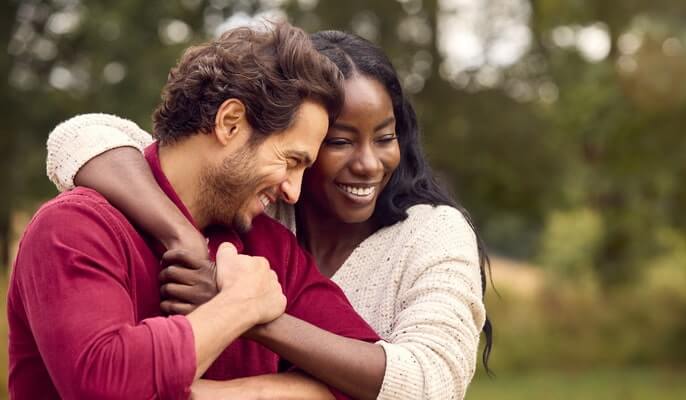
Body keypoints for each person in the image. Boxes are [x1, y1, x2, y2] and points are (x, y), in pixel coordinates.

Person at [46, 30, 492, 399]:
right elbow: (85, 135)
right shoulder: (254, 216)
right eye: (336, 143)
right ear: (232, 124)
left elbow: (414, 385)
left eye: (385, 137)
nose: (369, 163)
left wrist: (254, 316)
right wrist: (183, 235)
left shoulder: (271, 242)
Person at [10, 23, 381, 400]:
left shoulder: (271, 249)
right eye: (290, 160)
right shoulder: (75, 228)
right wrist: (241, 305)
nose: (293, 190)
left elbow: (366, 383)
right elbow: (106, 386)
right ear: (230, 122)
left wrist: (238, 391)